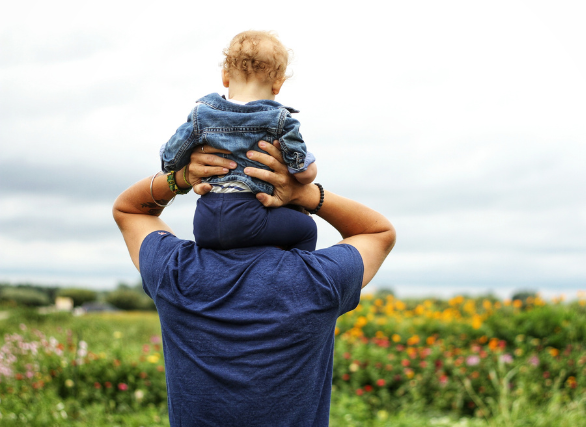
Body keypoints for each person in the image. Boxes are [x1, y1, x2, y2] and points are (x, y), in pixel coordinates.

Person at [113, 141, 395, 426]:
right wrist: (307, 194)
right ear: (295, 217)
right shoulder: (319, 280)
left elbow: (131, 210)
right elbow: (378, 232)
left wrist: (181, 177)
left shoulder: (174, 271)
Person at [160, 30, 318, 251]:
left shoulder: (201, 115)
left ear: (225, 76)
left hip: (205, 222)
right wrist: (308, 167)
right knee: (306, 228)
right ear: (278, 85)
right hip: (251, 217)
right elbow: (302, 173)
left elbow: (170, 160)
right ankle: (297, 278)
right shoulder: (280, 119)